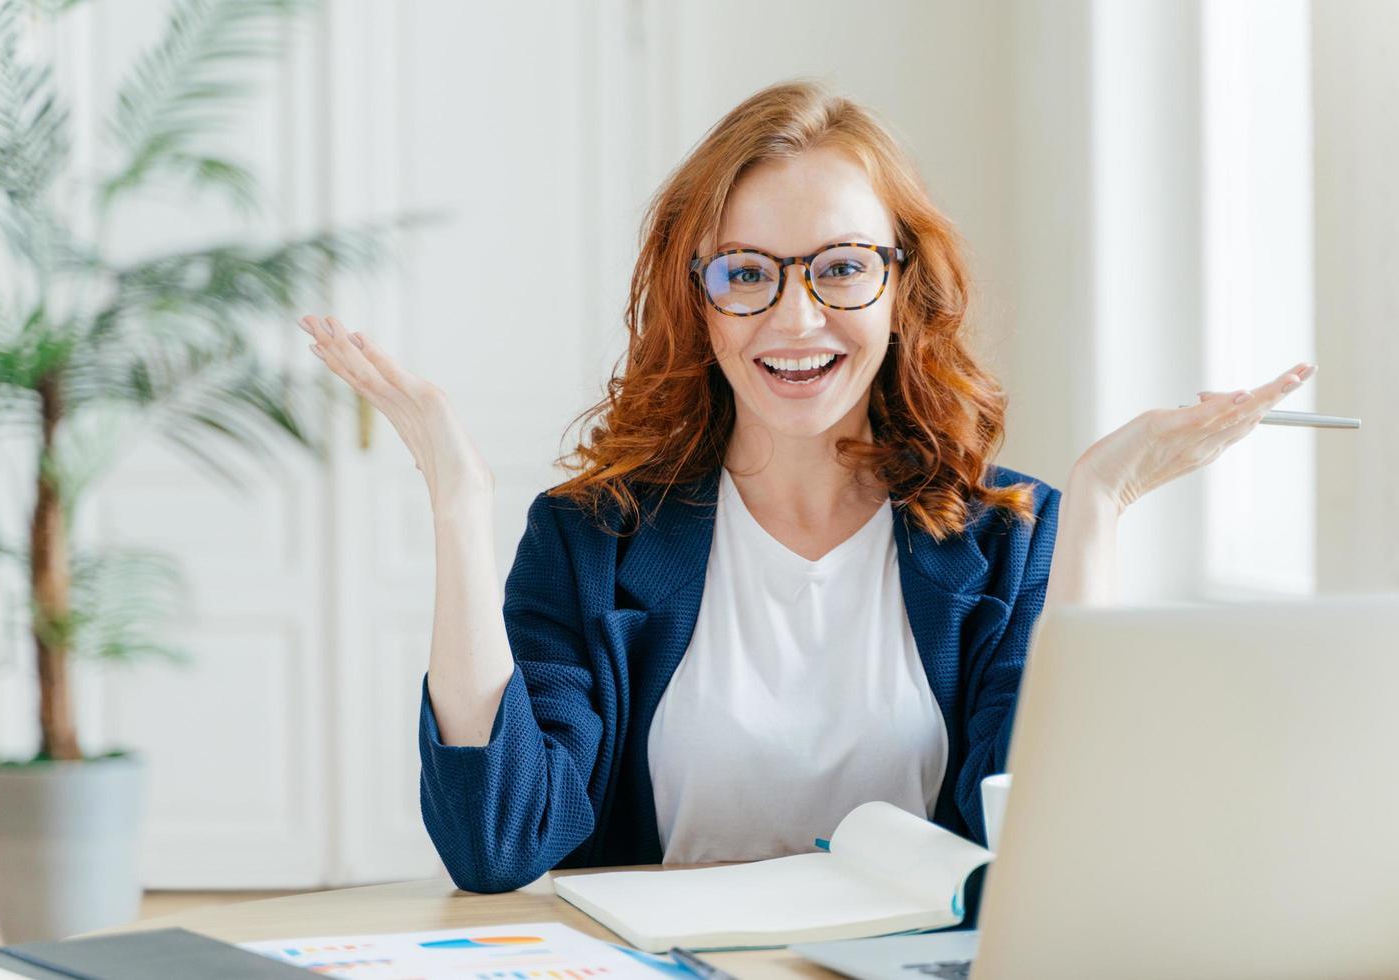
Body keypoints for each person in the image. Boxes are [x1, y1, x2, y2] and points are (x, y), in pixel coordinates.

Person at [296, 81, 1314, 898]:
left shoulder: (1010, 533)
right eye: (746, 273)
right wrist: (458, 501)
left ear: (903, 285)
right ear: (696, 301)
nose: (796, 318)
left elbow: (1054, 833)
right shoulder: (591, 537)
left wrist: (1099, 503)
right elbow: (496, 843)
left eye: (839, 266)